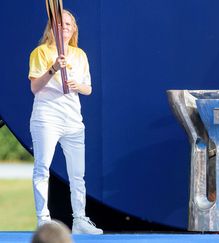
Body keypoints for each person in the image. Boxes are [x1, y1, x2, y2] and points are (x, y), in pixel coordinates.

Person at [28, 9, 103, 234]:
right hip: (47, 118)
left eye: (69, 25)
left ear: (74, 29)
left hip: (73, 121)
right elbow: (35, 87)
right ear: (52, 28)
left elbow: (88, 88)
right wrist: (53, 68)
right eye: (61, 25)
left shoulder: (80, 55)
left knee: (77, 174)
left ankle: (79, 220)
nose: (65, 28)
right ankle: (43, 219)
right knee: (42, 168)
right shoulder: (40, 52)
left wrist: (76, 86)